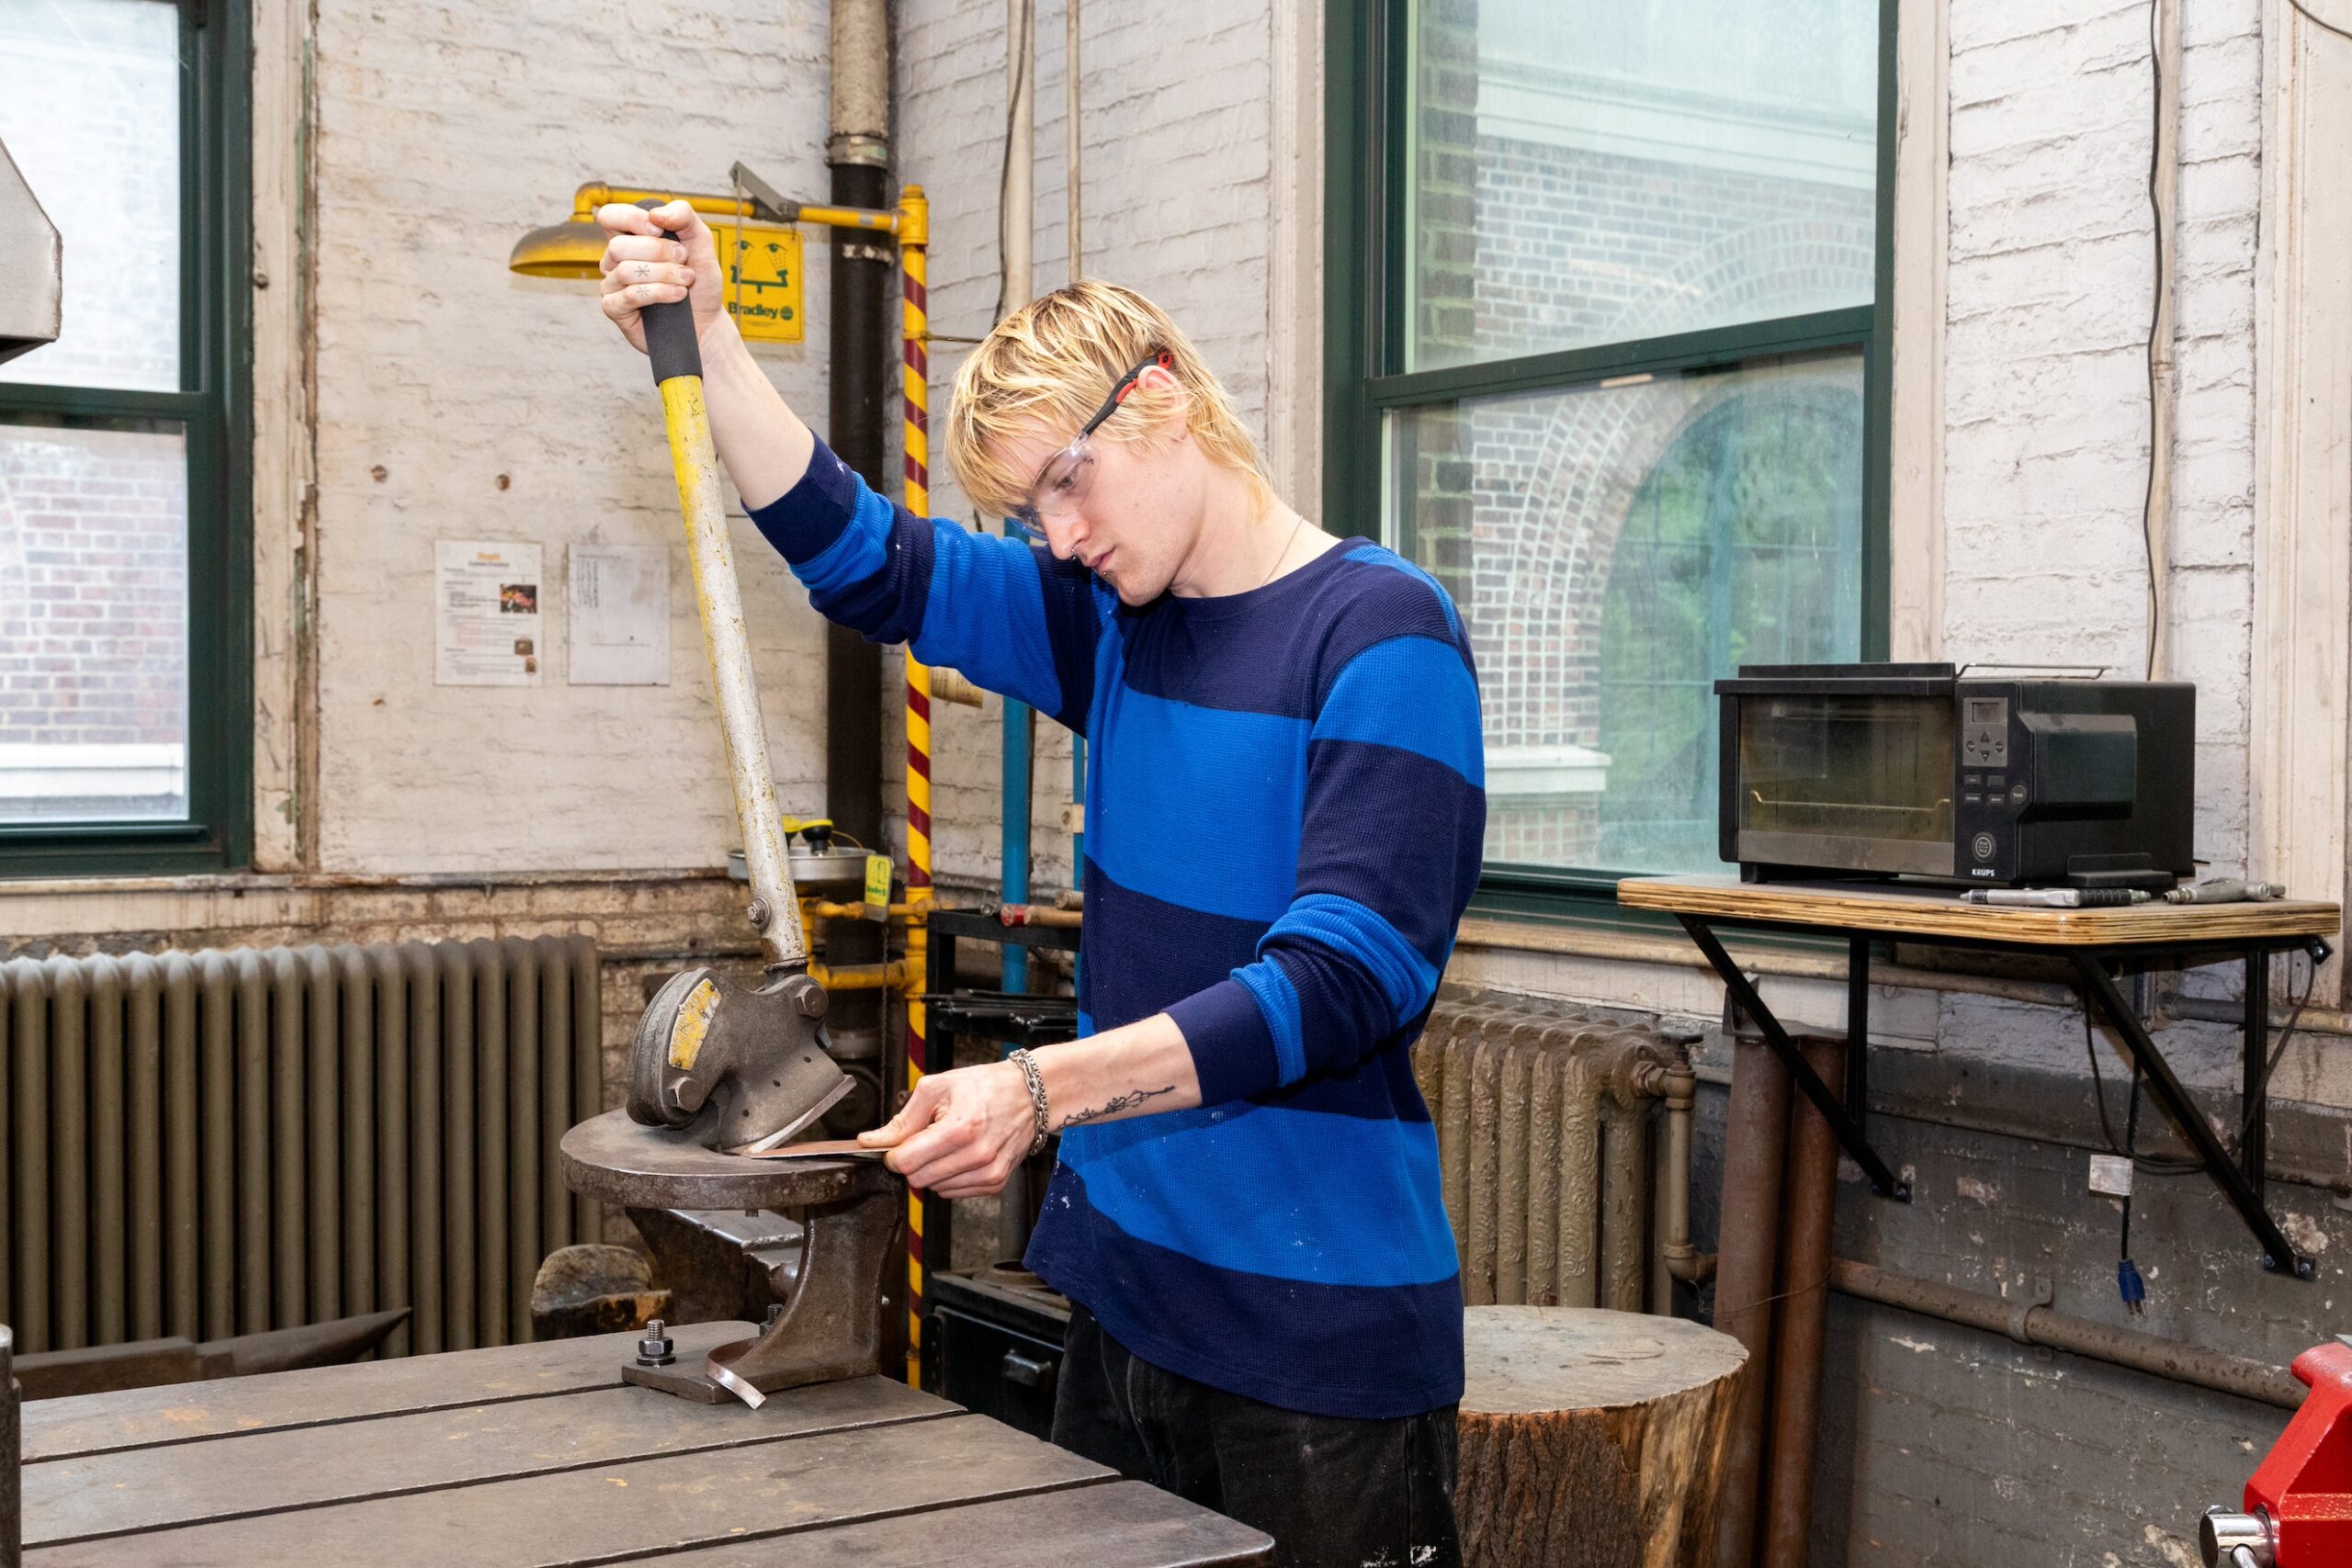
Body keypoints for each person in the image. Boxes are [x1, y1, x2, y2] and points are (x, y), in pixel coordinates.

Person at [597, 199, 1486, 1568]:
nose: (1057, 538)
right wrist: (711, 339)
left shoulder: (1379, 632)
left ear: (1163, 397)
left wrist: (1038, 1090)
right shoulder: (1112, 621)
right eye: (1028, 511)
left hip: (1316, 1345)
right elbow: (866, 560)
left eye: (1068, 484)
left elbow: (1346, 978)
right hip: (1123, 1309)